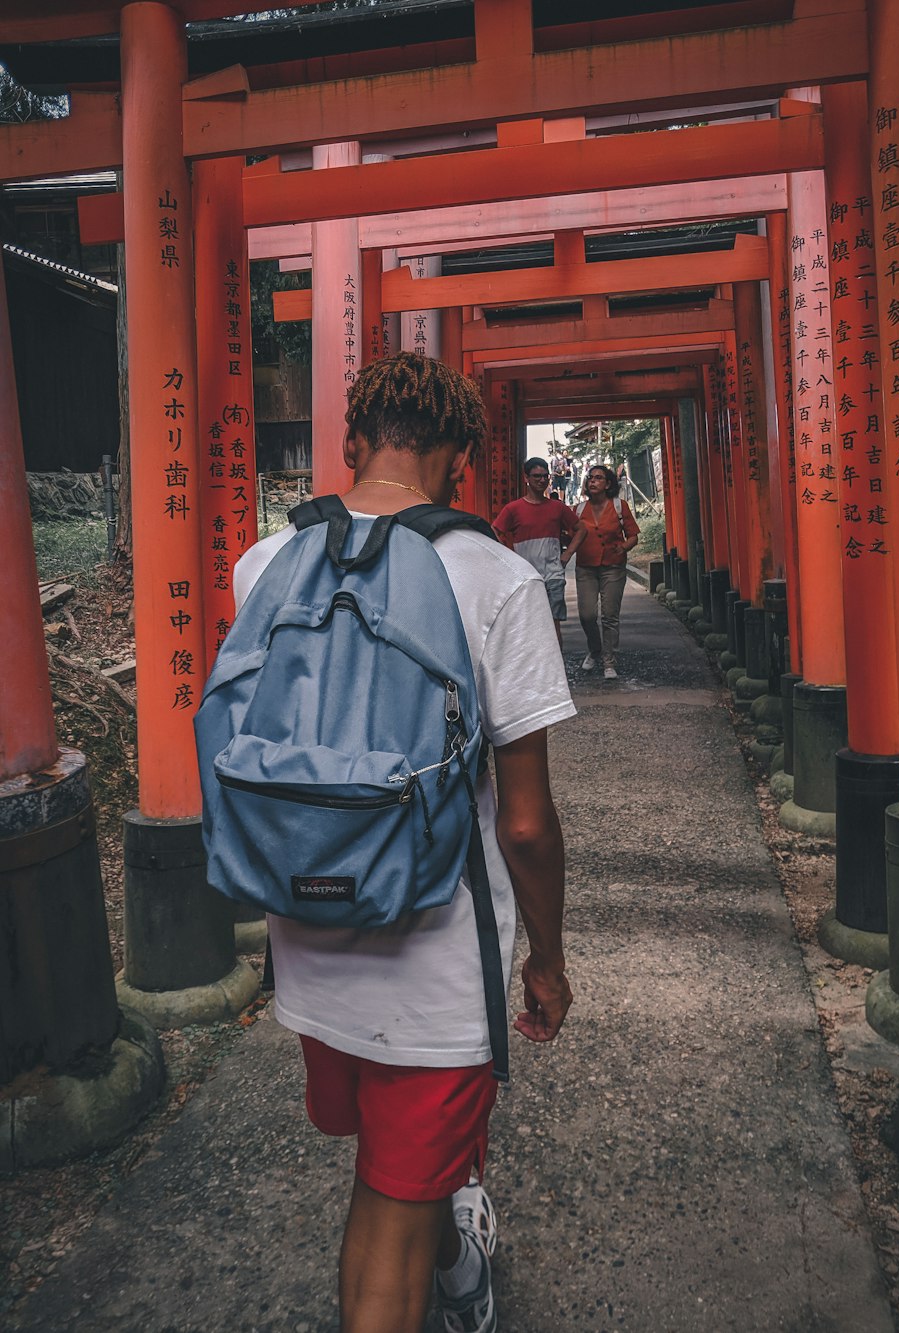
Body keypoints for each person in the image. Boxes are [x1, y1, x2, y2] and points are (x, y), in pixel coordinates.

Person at [231, 353, 574, 1333]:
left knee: (390, 1165)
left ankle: (457, 1244)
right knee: (388, 1211)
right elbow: (523, 822)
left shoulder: (263, 562)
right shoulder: (496, 581)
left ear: (349, 445)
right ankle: (454, 1259)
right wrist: (546, 955)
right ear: (461, 462)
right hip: (432, 961)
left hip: (306, 931)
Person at [492, 456, 587, 646]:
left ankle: (556, 669)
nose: (541, 480)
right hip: (526, 576)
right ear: (526, 478)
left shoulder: (557, 507)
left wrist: (567, 555)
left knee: (554, 623)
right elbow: (494, 531)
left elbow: (581, 529)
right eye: (536, 476)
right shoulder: (513, 509)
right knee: (527, 624)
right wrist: (508, 557)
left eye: (545, 476)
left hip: (553, 573)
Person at [574, 463, 641, 681]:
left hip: (613, 566)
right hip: (586, 567)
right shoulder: (578, 510)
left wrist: (623, 547)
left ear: (608, 483)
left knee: (610, 616)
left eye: (598, 478)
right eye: (590, 478)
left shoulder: (619, 506)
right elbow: (569, 535)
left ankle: (609, 661)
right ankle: (595, 649)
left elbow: (632, 535)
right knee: (587, 615)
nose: (592, 481)